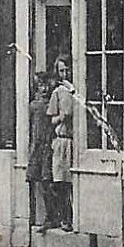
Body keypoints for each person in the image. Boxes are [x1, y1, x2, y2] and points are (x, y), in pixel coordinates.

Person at [47, 57, 77, 232]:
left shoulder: (77, 91)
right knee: (61, 182)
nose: (65, 74)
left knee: (73, 182)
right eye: (61, 71)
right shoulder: (57, 92)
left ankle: (74, 217)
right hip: (62, 141)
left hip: (75, 142)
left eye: (67, 70)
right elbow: (51, 120)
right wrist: (61, 117)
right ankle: (64, 218)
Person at [27, 71, 55, 230]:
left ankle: (50, 216)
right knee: (39, 180)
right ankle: (43, 216)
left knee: (47, 181)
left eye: (45, 85)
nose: (43, 89)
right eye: (39, 86)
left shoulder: (47, 104)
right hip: (38, 144)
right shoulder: (34, 105)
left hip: (47, 144)